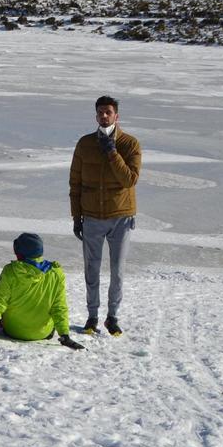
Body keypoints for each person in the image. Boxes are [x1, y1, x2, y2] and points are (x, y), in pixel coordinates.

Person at [69, 95, 141, 336]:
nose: (104, 116)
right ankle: (92, 316)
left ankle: (112, 317)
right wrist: (76, 217)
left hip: (121, 216)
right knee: (91, 269)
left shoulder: (129, 144)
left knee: (117, 270)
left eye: (108, 112)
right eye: (100, 112)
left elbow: (129, 179)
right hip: (91, 216)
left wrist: (112, 153)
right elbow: (75, 183)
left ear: (116, 116)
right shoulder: (85, 144)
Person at [0, 233, 85, 350]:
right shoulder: (56, 273)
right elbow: (59, 306)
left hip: (13, 331)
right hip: (42, 333)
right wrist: (64, 335)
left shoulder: (11, 271)